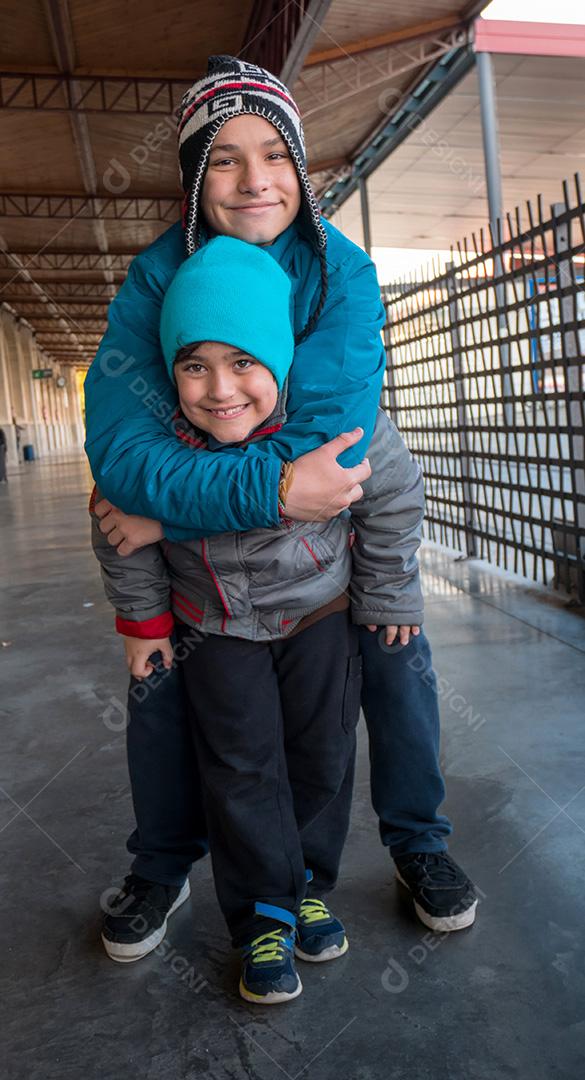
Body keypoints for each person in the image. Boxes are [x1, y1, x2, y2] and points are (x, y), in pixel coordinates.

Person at [85, 55, 477, 956]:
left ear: (301, 168)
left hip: (340, 548)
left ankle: (417, 844)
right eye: (222, 158)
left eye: (273, 155)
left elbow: (329, 460)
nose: (254, 180)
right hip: (218, 584)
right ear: (192, 178)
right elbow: (123, 459)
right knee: (161, 682)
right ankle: (165, 861)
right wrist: (254, 494)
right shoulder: (154, 283)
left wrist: (177, 512)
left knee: (393, 650)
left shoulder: (340, 272)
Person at [90, 235, 425, 1003]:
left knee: (319, 760)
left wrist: (388, 595)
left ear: (279, 360)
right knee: (240, 770)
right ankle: (261, 919)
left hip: (320, 619)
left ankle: (307, 886)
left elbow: (394, 497)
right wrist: (144, 627)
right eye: (194, 365)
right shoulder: (155, 449)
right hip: (215, 631)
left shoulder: (329, 424)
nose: (219, 390)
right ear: (168, 371)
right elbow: (113, 526)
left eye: (244, 362)